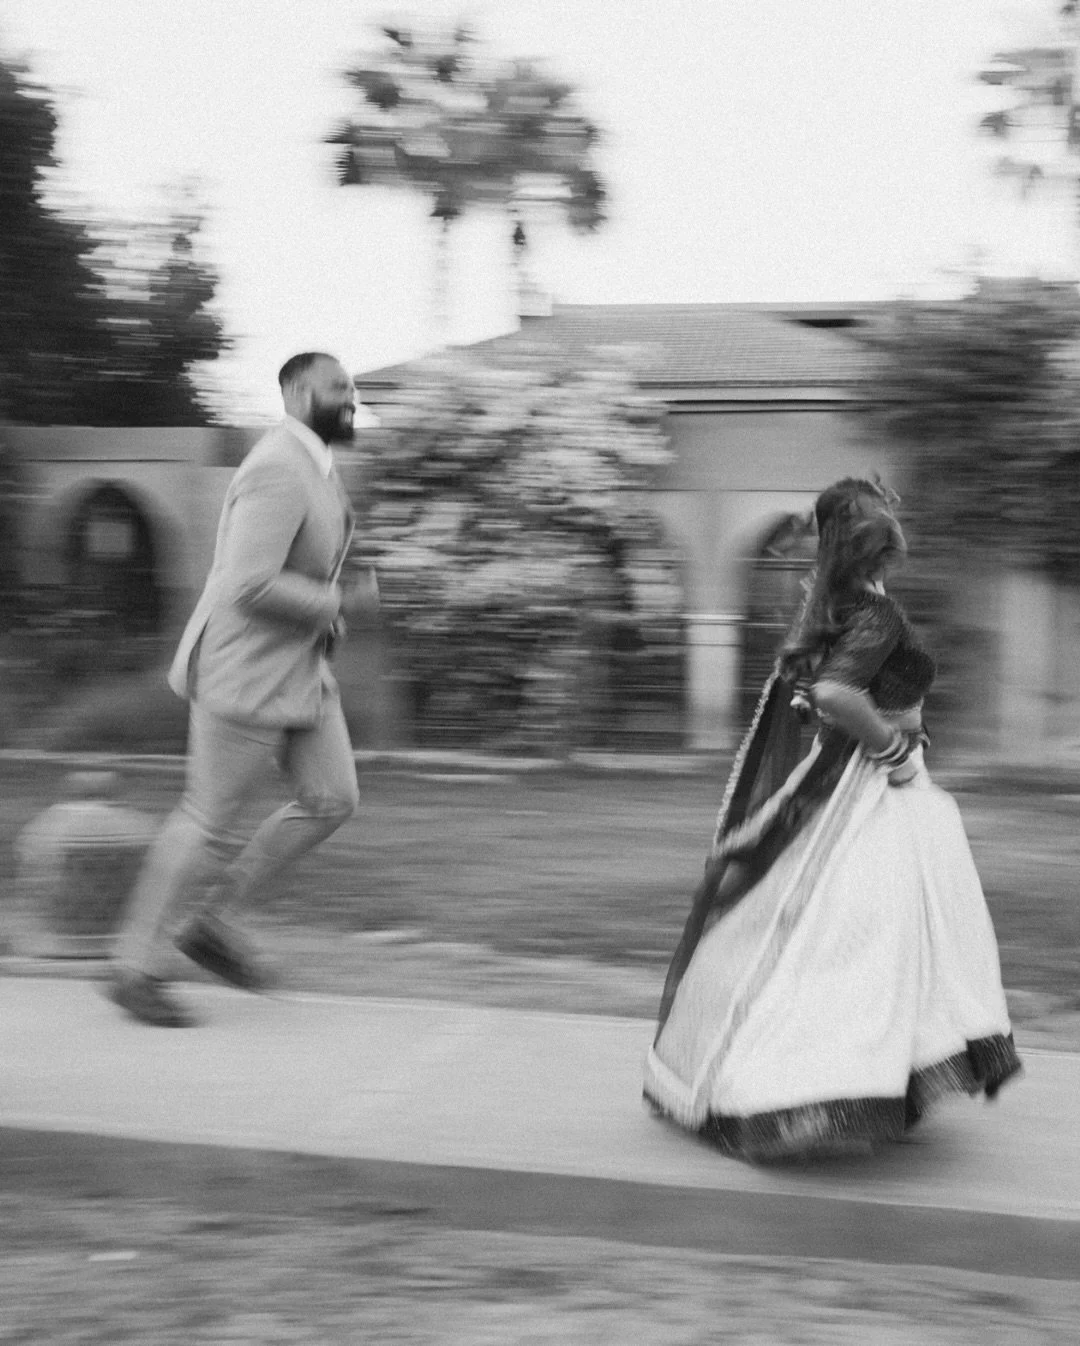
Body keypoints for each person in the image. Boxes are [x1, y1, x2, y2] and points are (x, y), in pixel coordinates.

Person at [644, 477, 1021, 1160]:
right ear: (882, 542)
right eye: (892, 523)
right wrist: (895, 748)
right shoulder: (871, 615)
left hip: (860, 787)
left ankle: (867, 1083)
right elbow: (834, 693)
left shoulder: (837, 603)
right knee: (868, 943)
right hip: (871, 790)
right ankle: (794, 1089)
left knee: (852, 940)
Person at [107, 352, 378, 1027]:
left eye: (352, 388)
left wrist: (334, 597)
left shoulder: (315, 466)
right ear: (297, 390)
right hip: (246, 673)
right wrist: (338, 598)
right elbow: (248, 583)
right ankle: (132, 967)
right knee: (205, 818)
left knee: (332, 797)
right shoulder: (277, 467)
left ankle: (212, 924)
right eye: (338, 387)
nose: (351, 398)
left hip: (301, 671)